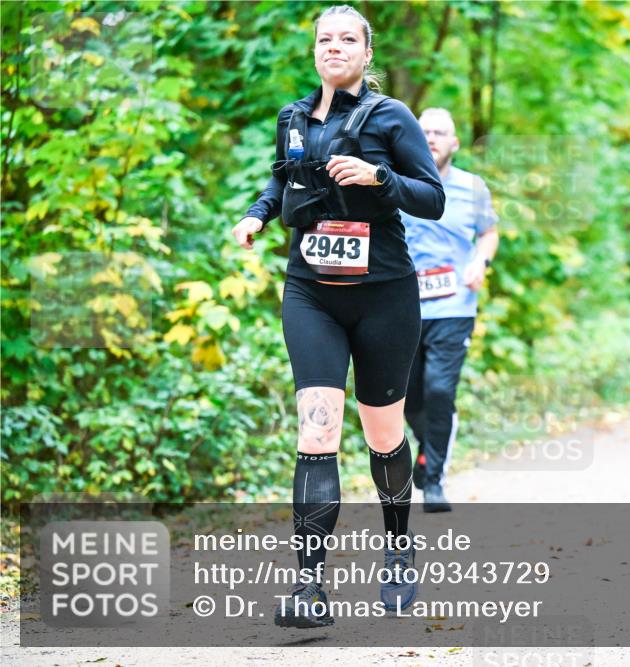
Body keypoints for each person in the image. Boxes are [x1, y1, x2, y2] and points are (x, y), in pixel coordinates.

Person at [231, 5, 444, 628]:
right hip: (311, 293)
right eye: (325, 39)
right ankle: (309, 587)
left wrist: (379, 177)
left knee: (382, 435)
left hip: (384, 295)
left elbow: (431, 198)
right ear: (315, 50)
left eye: (347, 39)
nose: (334, 47)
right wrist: (257, 214)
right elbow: (282, 182)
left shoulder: (391, 117)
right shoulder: (292, 118)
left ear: (366, 53)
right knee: (317, 432)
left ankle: (398, 549)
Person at [400, 108, 499, 513]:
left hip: (454, 305)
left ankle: (434, 481)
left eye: (440, 132)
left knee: (440, 390)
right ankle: (428, 450)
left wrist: (480, 262)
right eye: (424, 131)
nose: (431, 138)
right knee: (406, 398)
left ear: (455, 143)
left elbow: (488, 233)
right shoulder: (398, 183)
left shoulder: (473, 188)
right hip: (403, 307)